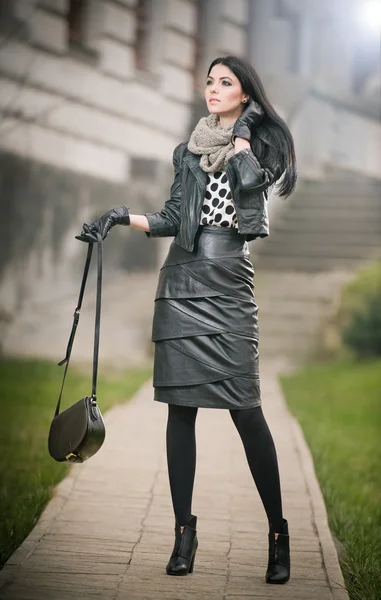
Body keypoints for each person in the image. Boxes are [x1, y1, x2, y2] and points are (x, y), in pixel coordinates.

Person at [77, 55, 297, 585]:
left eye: (226, 83)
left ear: (246, 94)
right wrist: (119, 217)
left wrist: (243, 133)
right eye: (209, 81)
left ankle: (277, 534)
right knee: (181, 410)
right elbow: (175, 217)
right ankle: (183, 534)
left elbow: (251, 191)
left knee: (247, 409)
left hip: (229, 283)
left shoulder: (260, 146)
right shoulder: (187, 152)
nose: (213, 89)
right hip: (181, 282)